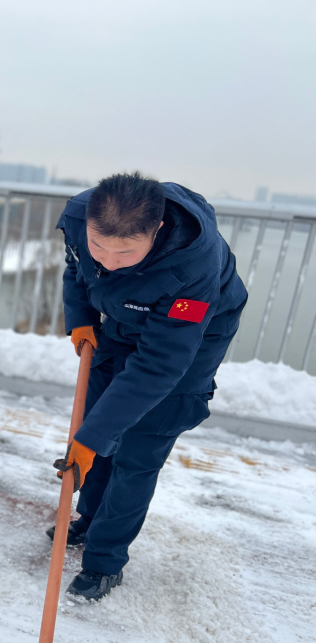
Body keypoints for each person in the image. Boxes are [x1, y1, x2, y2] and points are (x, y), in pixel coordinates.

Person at [52, 172, 248, 600]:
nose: (107, 261)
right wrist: (80, 315)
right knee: (99, 419)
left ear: (156, 230)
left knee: (138, 450)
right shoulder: (79, 215)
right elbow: (76, 266)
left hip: (188, 339)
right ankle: (90, 519)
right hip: (122, 318)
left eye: (124, 251)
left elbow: (161, 362)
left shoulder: (192, 266)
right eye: (98, 245)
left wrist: (92, 438)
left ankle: (104, 562)